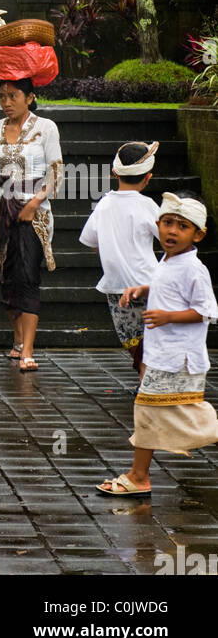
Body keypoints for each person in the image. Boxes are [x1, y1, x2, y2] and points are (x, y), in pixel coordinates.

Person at [97, 192, 218, 497]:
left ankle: (139, 476)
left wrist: (168, 316)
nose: (172, 231)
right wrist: (142, 289)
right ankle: (139, 476)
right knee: (168, 413)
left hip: (178, 358)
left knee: (149, 410)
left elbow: (207, 311)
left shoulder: (194, 268)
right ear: (157, 225)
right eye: (167, 223)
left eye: (182, 226)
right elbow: (169, 286)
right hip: (163, 355)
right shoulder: (168, 262)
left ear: (198, 235)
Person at [0, 79, 63, 371]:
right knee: (7, 278)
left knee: (28, 276)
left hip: (35, 211)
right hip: (1, 210)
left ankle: (29, 349)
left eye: (14, 96)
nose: (7, 102)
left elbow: (56, 172)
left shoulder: (46, 128)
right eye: (2, 96)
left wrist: (33, 204)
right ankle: (18, 340)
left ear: (30, 97)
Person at [79, 141, 160, 373]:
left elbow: (90, 241)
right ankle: (148, 382)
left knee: (133, 339)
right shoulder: (148, 205)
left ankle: (146, 382)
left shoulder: (103, 205)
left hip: (116, 286)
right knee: (150, 338)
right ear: (148, 177)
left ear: (114, 173)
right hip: (148, 282)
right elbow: (166, 238)